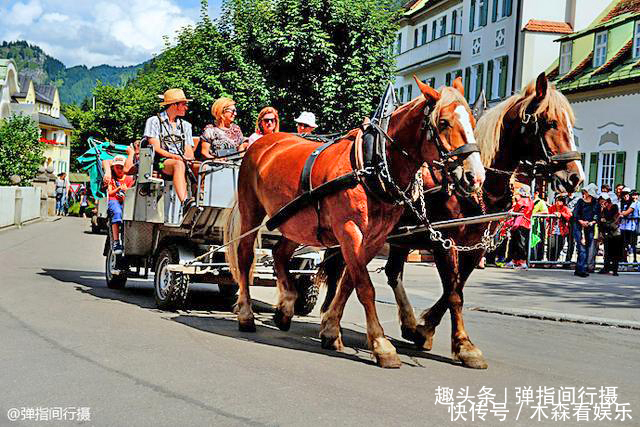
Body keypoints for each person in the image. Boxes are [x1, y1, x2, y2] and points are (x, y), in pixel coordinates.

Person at [143, 88, 195, 208]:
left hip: (182, 161)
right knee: (178, 165)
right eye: (184, 104)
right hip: (160, 164)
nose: (186, 107)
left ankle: (202, 200)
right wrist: (178, 158)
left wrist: (189, 159)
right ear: (174, 105)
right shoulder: (154, 121)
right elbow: (156, 148)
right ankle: (185, 202)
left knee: (205, 167)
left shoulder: (186, 126)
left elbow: (188, 149)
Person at [107, 156, 134, 255]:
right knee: (117, 212)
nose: (119, 170)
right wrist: (118, 189)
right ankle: (116, 241)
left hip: (125, 201)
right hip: (113, 200)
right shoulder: (112, 179)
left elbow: (131, 192)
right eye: (117, 167)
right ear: (113, 168)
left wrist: (126, 191)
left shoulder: (129, 179)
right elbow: (109, 193)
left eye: (121, 167)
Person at [572, 183, 599, 277]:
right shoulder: (580, 201)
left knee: (587, 248)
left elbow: (597, 215)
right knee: (581, 248)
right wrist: (581, 221)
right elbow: (575, 214)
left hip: (590, 227)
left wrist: (592, 222)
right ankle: (581, 269)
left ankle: (579, 268)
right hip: (579, 227)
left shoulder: (595, 202)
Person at [506, 185, 534, 269]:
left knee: (518, 243)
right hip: (526, 224)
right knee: (519, 243)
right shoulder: (530, 201)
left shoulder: (521, 201)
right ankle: (515, 261)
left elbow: (515, 210)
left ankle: (522, 262)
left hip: (519, 224)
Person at [598, 193, 623, 276]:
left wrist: (606, 222)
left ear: (606, 201)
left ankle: (615, 270)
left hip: (615, 232)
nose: (601, 203)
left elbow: (615, 219)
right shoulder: (604, 210)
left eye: (602, 201)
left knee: (615, 252)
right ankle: (606, 268)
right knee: (607, 251)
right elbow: (601, 221)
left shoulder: (614, 207)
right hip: (607, 232)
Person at [547, 195, 572, 262]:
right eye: (557, 200)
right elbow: (547, 217)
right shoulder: (552, 208)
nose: (558, 202)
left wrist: (561, 214)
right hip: (552, 229)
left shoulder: (565, 208)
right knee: (551, 246)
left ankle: (555, 261)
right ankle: (549, 261)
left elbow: (569, 216)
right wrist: (553, 214)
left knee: (559, 246)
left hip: (562, 230)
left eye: (560, 201)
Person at [620, 188, 639, 263]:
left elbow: (626, 213)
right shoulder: (623, 203)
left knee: (633, 244)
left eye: (627, 194)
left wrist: (622, 214)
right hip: (624, 226)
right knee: (624, 244)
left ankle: (633, 261)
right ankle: (625, 260)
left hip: (632, 226)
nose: (626, 196)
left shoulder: (634, 203)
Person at [530, 190, 549, 261]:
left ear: (537, 193)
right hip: (529, 224)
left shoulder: (541, 202)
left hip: (536, 225)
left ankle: (534, 260)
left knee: (534, 242)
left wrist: (536, 214)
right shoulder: (530, 201)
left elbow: (546, 212)